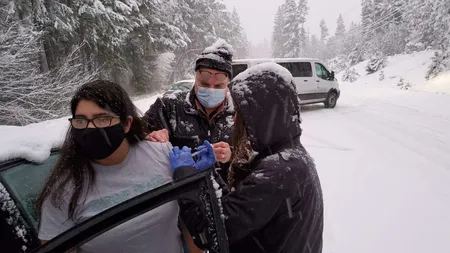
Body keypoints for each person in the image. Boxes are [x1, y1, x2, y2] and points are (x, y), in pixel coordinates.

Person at [169, 62, 324, 253]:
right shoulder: (291, 157)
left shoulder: (279, 172)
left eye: (241, 114)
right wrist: (209, 176)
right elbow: (239, 209)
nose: (235, 120)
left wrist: (186, 180)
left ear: (261, 115)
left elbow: (210, 233)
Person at [35, 80, 189, 253]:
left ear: (126, 124)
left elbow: (189, 217)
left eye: (102, 119)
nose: (90, 128)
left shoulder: (161, 154)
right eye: (81, 121)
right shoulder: (63, 190)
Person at [143, 39, 235, 181]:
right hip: (181, 196)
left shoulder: (239, 113)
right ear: (196, 78)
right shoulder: (168, 107)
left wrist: (232, 155)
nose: (210, 90)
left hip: (226, 197)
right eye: (204, 83)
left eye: (218, 86)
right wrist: (149, 137)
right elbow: (133, 137)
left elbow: (254, 155)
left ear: (228, 83)